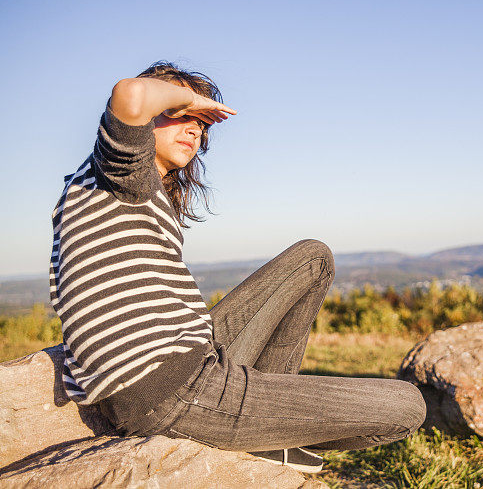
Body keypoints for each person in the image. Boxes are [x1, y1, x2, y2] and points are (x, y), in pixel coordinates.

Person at [49, 61, 426, 474]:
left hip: (192, 362)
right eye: (180, 115)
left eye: (201, 124)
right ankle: (269, 436)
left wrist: (182, 109)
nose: (195, 129)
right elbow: (131, 96)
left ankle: (264, 437)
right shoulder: (120, 174)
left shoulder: (129, 189)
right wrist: (190, 97)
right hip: (169, 389)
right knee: (408, 406)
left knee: (313, 258)